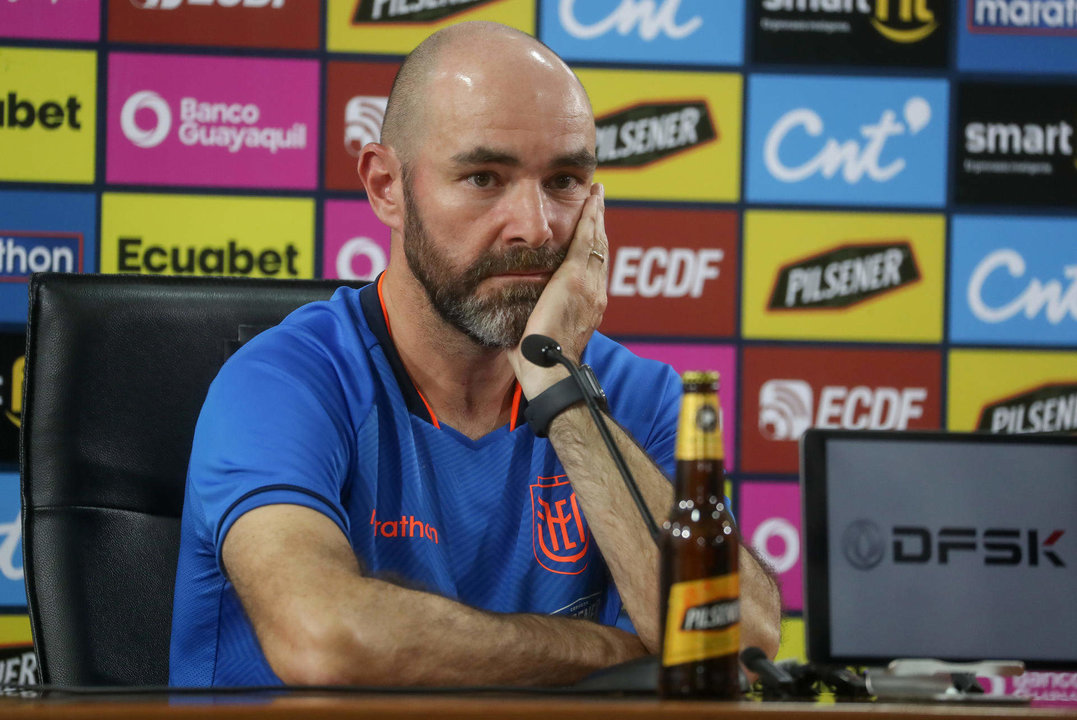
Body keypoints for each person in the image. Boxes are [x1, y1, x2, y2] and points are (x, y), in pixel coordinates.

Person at [169, 21, 781, 687]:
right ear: (386, 188)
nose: (535, 226)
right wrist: (617, 653)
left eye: (565, 180)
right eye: (484, 177)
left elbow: (738, 644)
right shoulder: (281, 382)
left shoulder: (637, 397)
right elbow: (325, 638)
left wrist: (560, 387)